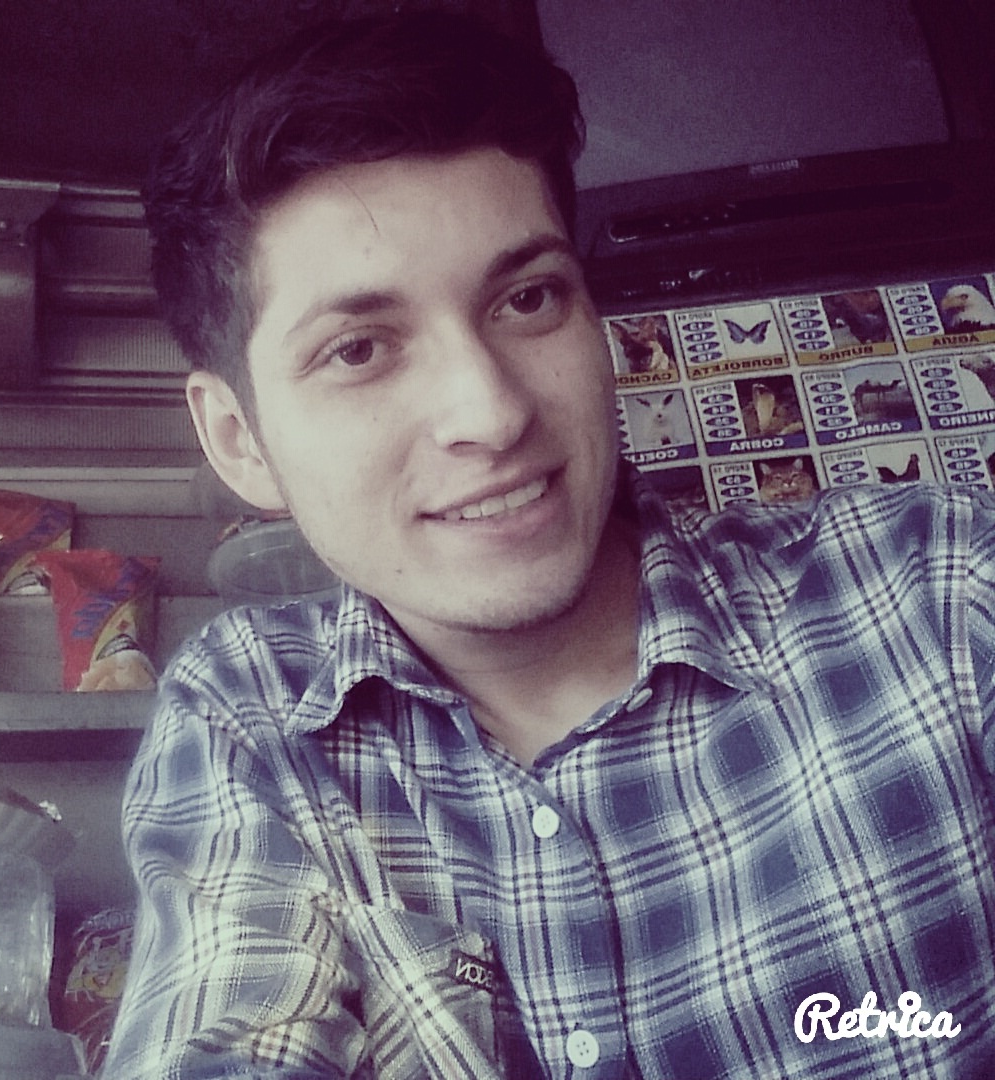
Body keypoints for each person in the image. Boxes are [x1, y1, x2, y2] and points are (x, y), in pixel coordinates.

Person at [101, 11, 995, 1078]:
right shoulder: (250, 715)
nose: (491, 412)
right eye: (359, 350)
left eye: (528, 298)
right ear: (239, 440)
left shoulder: (940, 586)